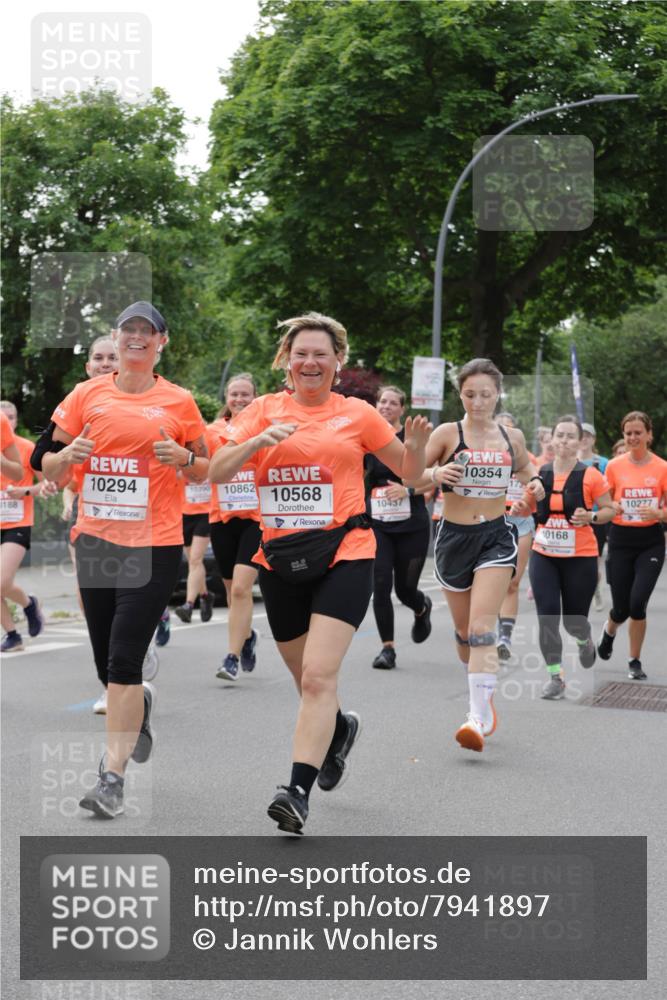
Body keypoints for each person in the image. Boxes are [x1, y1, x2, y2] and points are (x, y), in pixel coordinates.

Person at [210, 313, 430, 834]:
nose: (310, 362)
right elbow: (216, 471)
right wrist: (255, 443)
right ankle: (337, 732)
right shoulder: (262, 410)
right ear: (286, 360)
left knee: (317, 677)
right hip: (279, 559)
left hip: (346, 552)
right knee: (304, 680)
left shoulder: (356, 414)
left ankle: (296, 792)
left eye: (320, 355)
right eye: (301, 354)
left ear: (338, 363)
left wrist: (416, 449)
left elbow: (411, 473)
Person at [42, 301, 208, 819]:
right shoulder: (85, 395)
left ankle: (111, 778)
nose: (137, 337)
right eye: (129, 329)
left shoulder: (178, 401)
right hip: (96, 541)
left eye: (148, 331)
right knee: (106, 666)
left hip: (154, 543)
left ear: (162, 342)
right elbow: (48, 463)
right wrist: (65, 459)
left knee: (122, 661)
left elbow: (203, 468)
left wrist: (183, 460)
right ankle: (139, 704)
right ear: (116, 339)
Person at [411, 359, 544, 753]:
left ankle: (476, 717)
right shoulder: (447, 434)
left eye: (486, 394)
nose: (478, 402)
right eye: (470, 394)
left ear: (497, 394)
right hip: (453, 540)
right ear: (460, 394)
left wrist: (533, 487)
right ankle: (481, 698)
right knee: (466, 636)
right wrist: (434, 476)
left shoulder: (510, 436)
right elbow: (410, 478)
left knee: (483, 628)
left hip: (496, 538)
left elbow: (527, 470)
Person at [515, 415, 615, 700]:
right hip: (544, 553)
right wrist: (519, 507)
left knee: (573, 621)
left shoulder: (591, 475)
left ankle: (584, 641)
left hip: (580, 557)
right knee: (547, 617)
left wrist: (592, 516)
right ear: (552, 439)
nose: (564, 441)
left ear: (580, 441)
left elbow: (610, 509)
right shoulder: (541, 473)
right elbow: (527, 505)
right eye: (559, 435)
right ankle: (555, 676)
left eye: (570, 436)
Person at [364, 385, 432, 670]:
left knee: (405, 590)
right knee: (380, 585)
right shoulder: (366, 440)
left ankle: (421, 607)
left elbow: (434, 478)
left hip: (411, 525)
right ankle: (387, 649)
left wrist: (408, 491)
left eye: (393, 403)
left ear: (402, 409)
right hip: (377, 525)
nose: (387, 406)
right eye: (382, 401)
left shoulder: (411, 440)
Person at [597, 411, 667, 679]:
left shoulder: (662, 468)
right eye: (628, 433)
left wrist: (660, 514)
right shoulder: (614, 466)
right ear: (623, 436)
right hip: (621, 540)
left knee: (638, 604)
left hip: (650, 541)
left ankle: (634, 660)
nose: (633, 437)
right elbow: (605, 502)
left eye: (638, 432)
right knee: (621, 608)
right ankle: (610, 629)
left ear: (649, 435)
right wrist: (611, 506)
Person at [208, 374, 262, 680]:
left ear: (255, 397)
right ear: (226, 398)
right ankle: (247, 635)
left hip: (255, 520)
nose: (239, 399)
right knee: (232, 593)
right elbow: (202, 467)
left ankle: (231, 657)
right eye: (234, 394)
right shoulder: (213, 431)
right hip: (222, 518)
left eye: (245, 394)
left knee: (242, 588)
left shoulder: (264, 429)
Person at [1, 402, 54, 652]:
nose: (7, 423)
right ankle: (13, 635)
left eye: (10, 418)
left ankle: (29, 604)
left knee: (1, 580)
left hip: (17, 522)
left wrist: (24, 491)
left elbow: (48, 487)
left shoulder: (25, 448)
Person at [494, 412, 535, 661]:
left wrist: (525, 501)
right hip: (490, 523)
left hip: (520, 522)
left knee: (512, 582)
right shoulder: (485, 459)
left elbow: (537, 486)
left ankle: (504, 638)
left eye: (509, 429)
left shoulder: (526, 459)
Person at [173, 461, 214, 625]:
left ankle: (188, 605)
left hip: (206, 513)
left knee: (196, 559)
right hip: (185, 514)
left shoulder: (209, 457)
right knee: (193, 563)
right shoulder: (182, 458)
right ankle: (205, 595)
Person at [578, 422, 610, 612]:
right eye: (581, 435)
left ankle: (595, 588)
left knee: (593, 559)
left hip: (596, 516)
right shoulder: (570, 460)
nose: (584, 439)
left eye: (588, 436)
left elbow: (609, 489)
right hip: (574, 516)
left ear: (593, 439)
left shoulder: (603, 462)